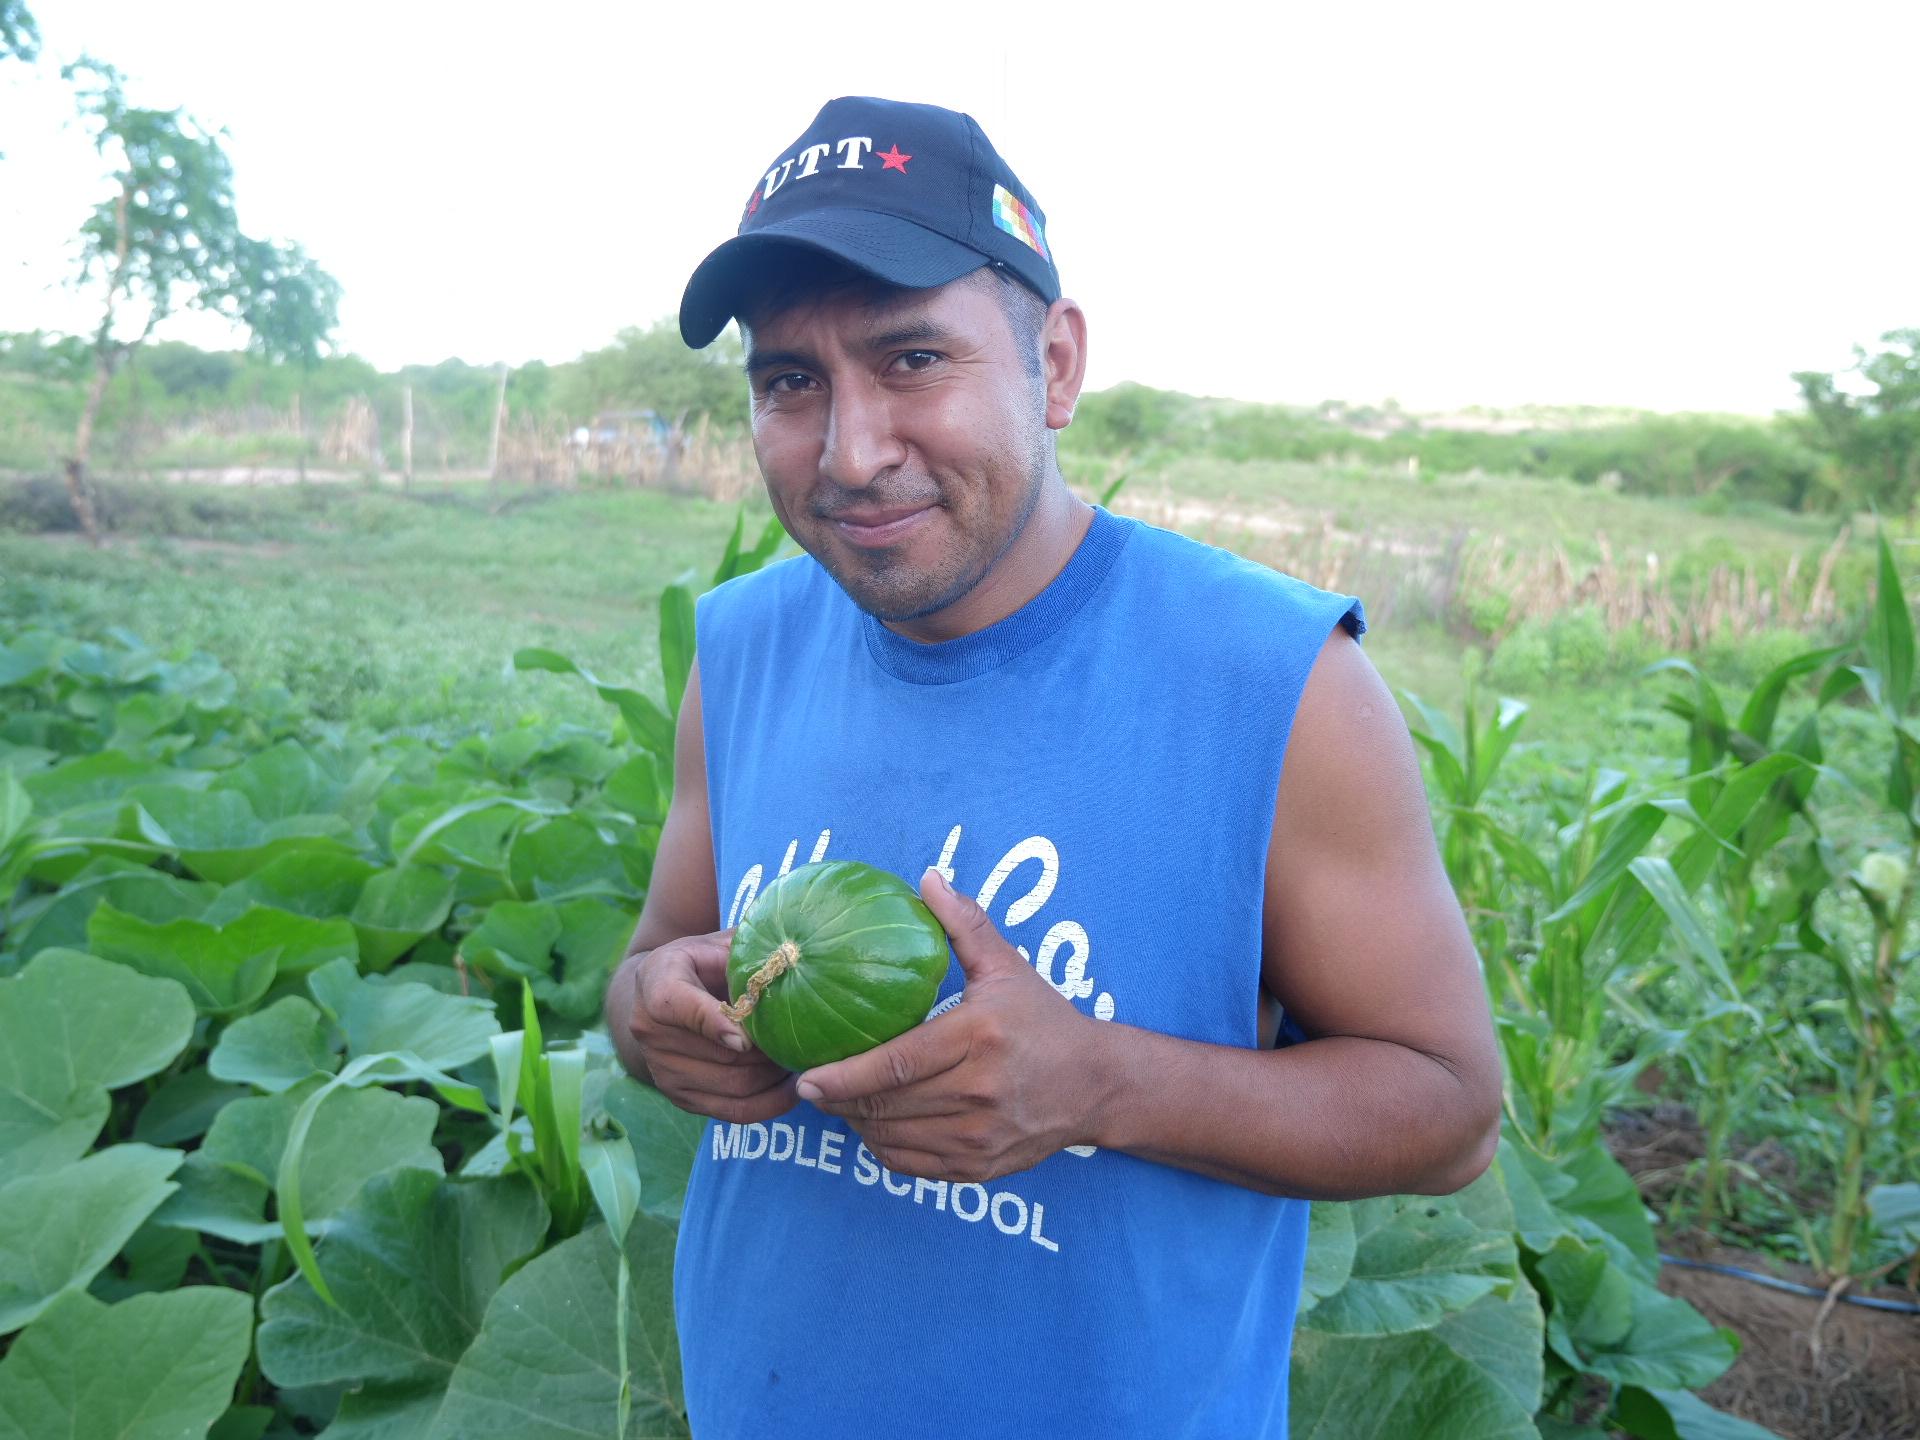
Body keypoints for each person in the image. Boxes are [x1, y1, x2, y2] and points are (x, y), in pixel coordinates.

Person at [605, 94, 1502, 1438]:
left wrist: (1098, 1081)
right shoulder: (742, 647)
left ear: (1058, 365)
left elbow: (1447, 1114)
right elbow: (648, 969)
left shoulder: (1276, 683)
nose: (851, 451)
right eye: (792, 380)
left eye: (911, 358)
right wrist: (654, 1018)